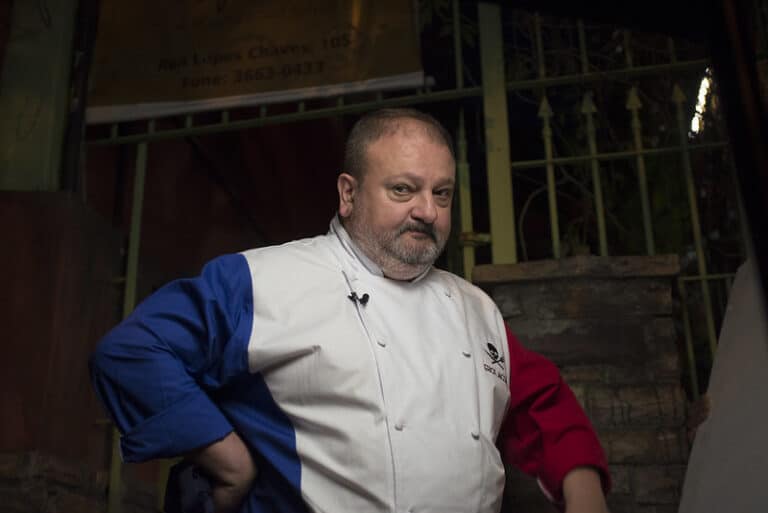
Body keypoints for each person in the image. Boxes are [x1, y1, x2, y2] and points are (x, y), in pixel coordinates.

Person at [90, 108, 610, 513]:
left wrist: (584, 490)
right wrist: (230, 463)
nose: (427, 211)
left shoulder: (474, 308)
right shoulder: (263, 280)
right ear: (348, 193)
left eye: (442, 193)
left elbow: (538, 400)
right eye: (403, 189)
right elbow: (134, 351)